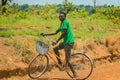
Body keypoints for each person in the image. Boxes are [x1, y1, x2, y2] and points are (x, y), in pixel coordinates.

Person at [41, 12, 76, 77]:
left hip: (69, 42)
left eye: (62, 16)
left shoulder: (65, 22)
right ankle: (60, 63)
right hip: (65, 42)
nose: (60, 17)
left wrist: (56, 41)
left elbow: (64, 33)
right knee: (55, 48)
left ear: (65, 17)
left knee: (68, 60)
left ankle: (74, 73)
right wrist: (45, 34)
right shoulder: (62, 24)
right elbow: (55, 32)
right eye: (59, 16)